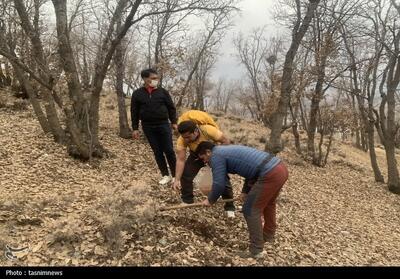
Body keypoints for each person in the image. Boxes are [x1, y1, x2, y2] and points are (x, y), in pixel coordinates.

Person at [195, 141, 289, 258]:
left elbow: (219, 184)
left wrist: (210, 200)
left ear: (208, 152)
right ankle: (268, 236)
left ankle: (256, 250)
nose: (204, 162)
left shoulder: (216, 156)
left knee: (250, 210)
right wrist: (245, 191)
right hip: (280, 168)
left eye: (203, 158)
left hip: (269, 173)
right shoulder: (225, 150)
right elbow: (250, 171)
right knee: (269, 203)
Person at [172, 113, 235, 216]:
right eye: (184, 137)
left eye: (188, 137)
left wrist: (218, 156)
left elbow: (226, 141)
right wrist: (177, 179)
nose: (186, 140)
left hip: (213, 154)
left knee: (223, 178)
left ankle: (229, 206)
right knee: (186, 174)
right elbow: (181, 160)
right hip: (196, 155)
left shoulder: (208, 130)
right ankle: (187, 200)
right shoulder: (182, 140)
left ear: (196, 131)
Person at [131, 68, 177, 185]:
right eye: (153, 78)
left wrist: (174, 122)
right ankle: (165, 175)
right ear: (145, 79)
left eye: (157, 78)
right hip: (148, 126)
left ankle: (177, 176)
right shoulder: (137, 94)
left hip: (163, 124)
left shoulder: (163, 92)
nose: (156, 80)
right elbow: (134, 111)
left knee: (169, 150)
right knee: (157, 151)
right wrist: (135, 128)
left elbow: (171, 108)